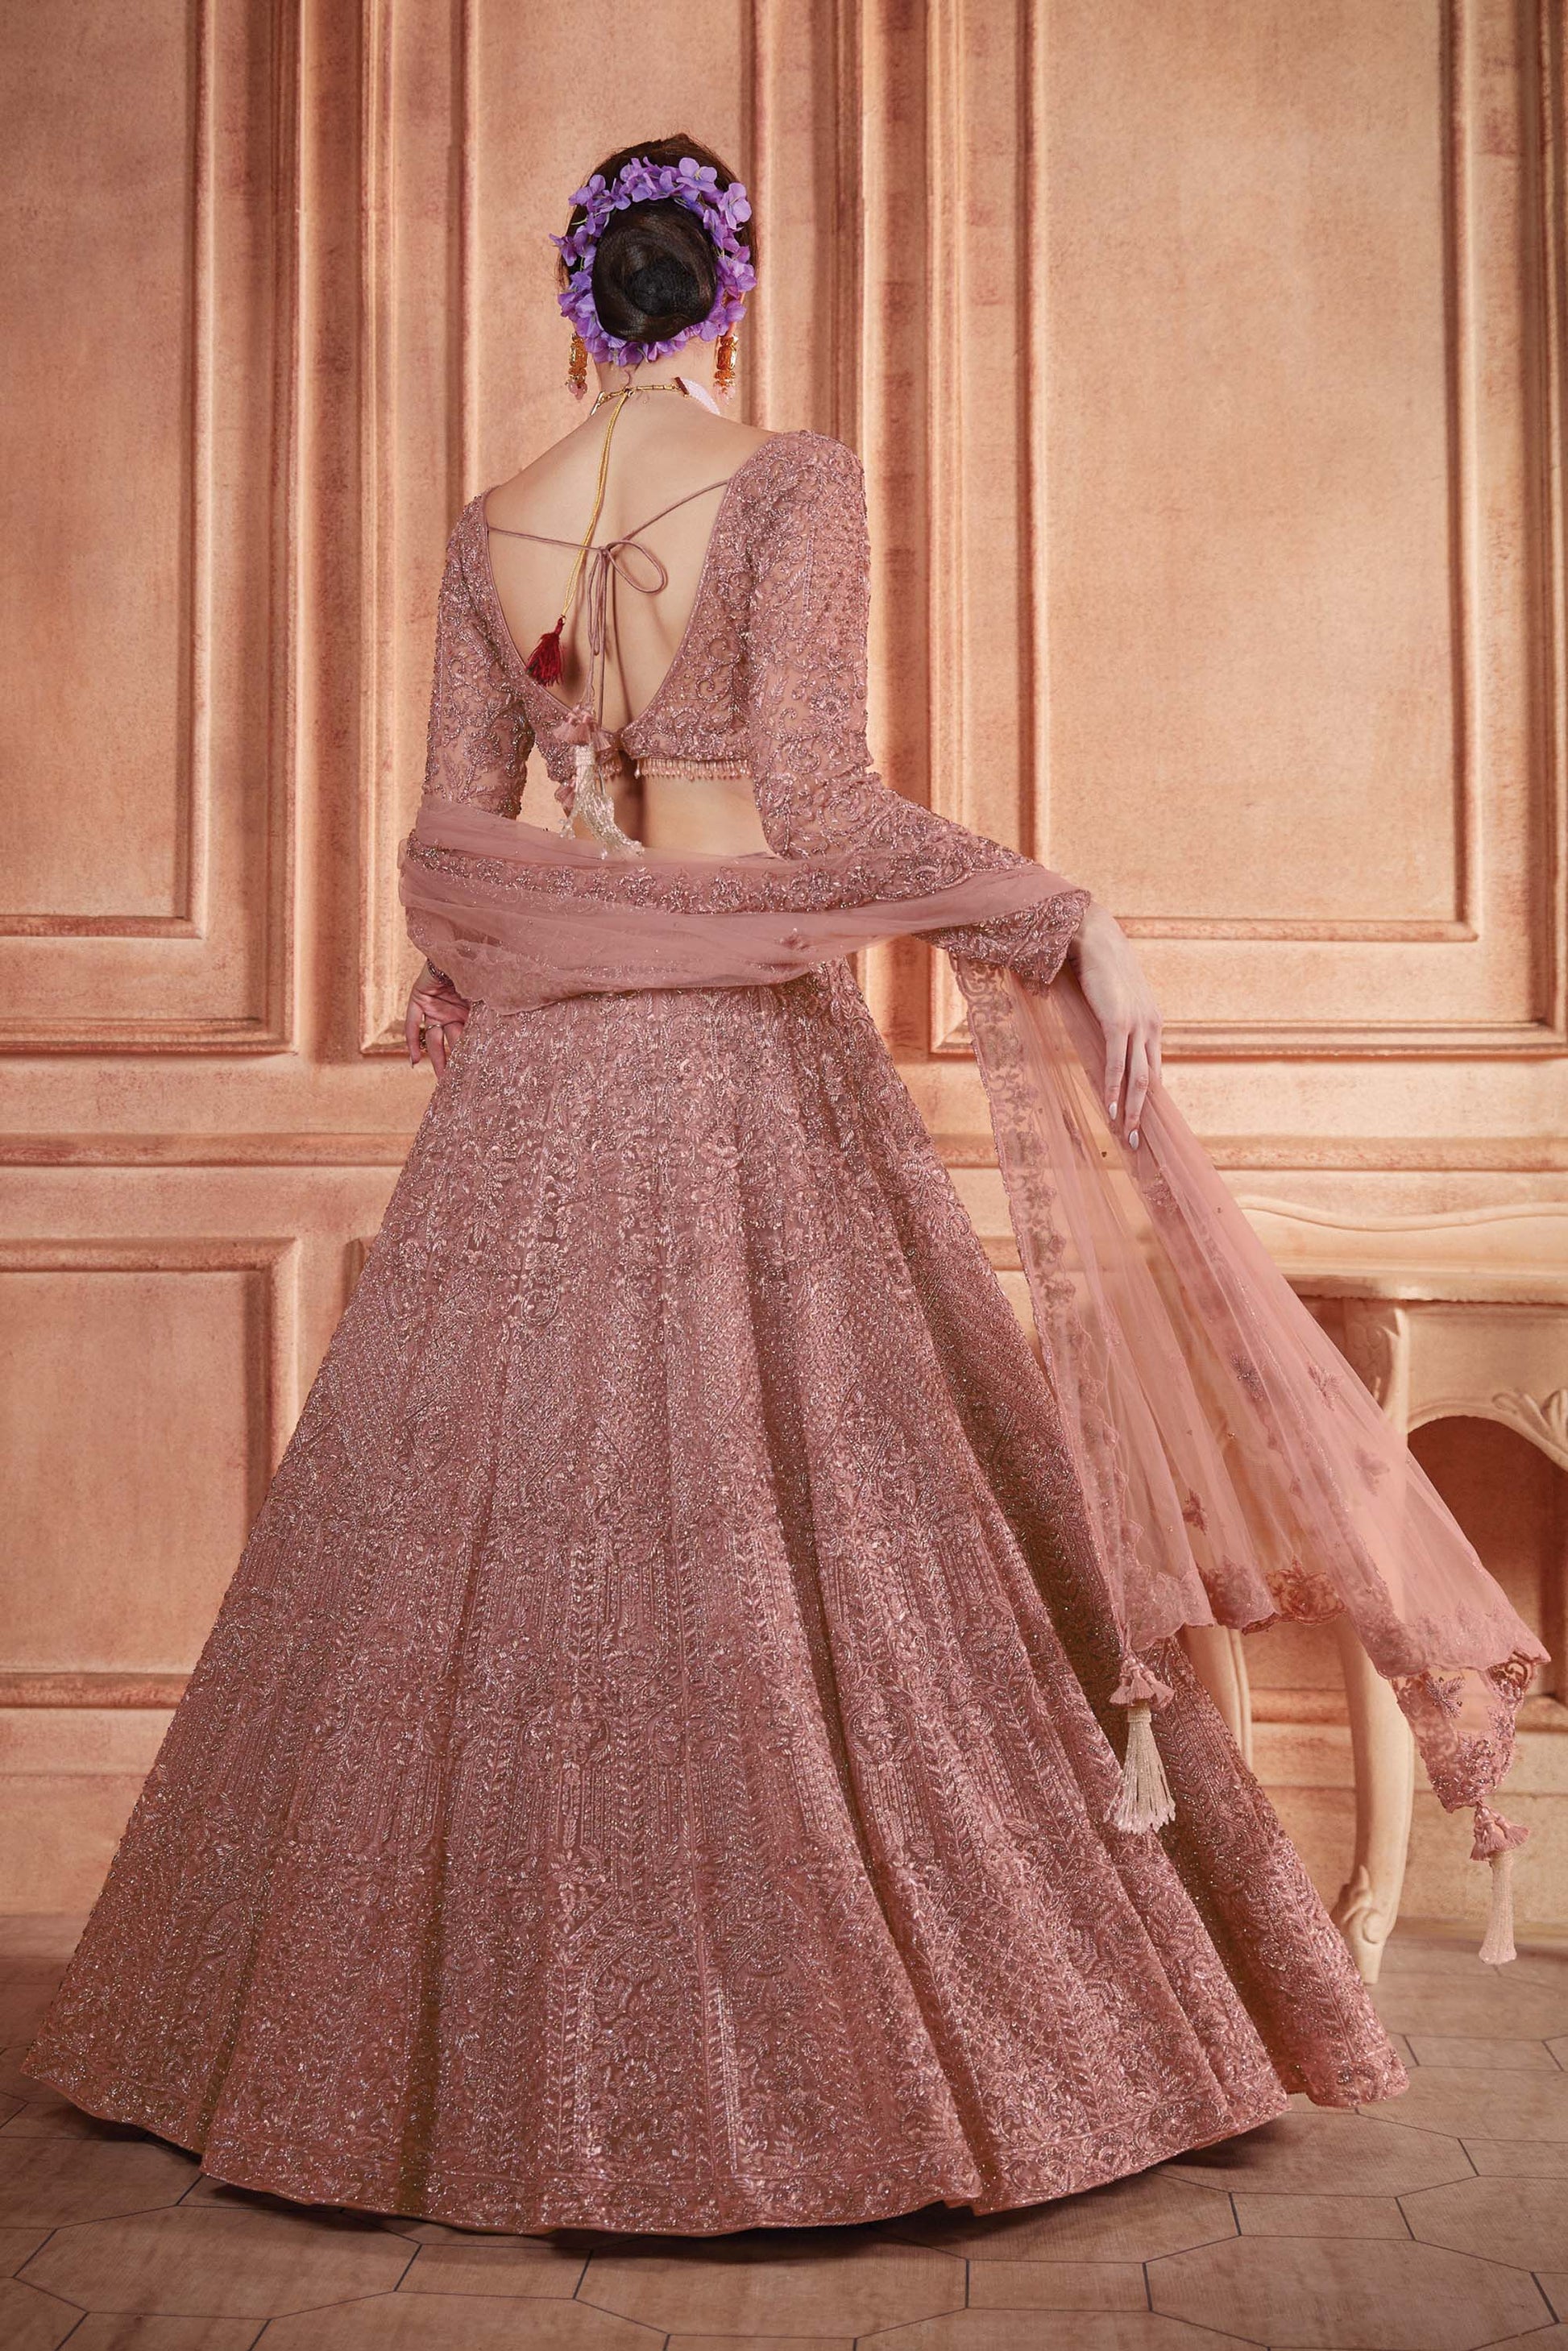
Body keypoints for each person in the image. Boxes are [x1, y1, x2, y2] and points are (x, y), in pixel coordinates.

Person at [23, 134, 1542, 2240]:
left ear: (575, 299)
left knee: (505, 1548)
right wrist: (1055, 908)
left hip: (535, 1098)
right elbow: (820, 811)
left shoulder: (492, 527)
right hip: (743, 1067)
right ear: (730, 298)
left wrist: (552, 945)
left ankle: (399, 2071)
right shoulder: (791, 484)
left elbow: (450, 847)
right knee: (822, 1552)